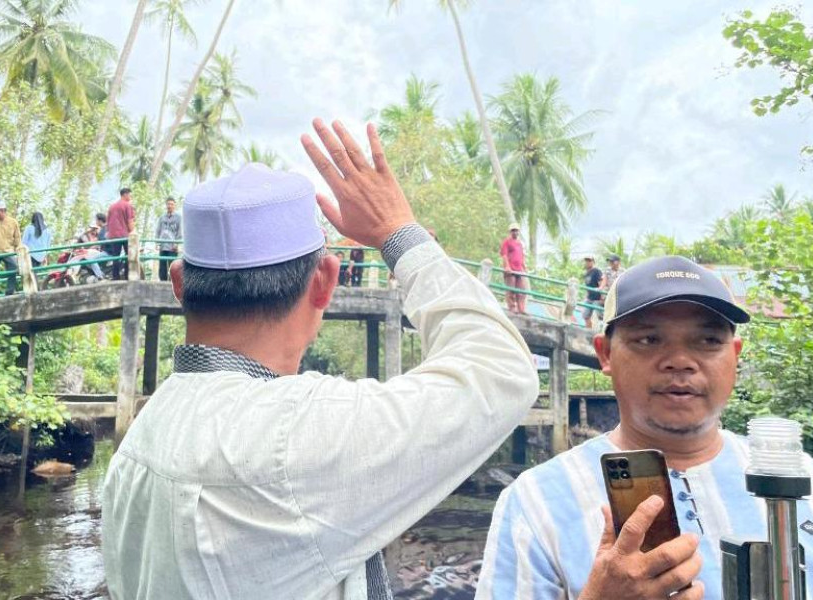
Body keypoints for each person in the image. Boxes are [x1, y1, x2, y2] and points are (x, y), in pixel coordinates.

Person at [102, 120, 539, 600]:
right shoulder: (298, 432)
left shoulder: (137, 445)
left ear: (179, 284)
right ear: (324, 282)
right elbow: (502, 370)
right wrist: (399, 233)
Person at [476, 255, 813, 600]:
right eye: (648, 340)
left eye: (708, 341)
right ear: (605, 353)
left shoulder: (811, 483)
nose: (680, 361)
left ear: (735, 355)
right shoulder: (536, 504)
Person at [105, 187, 135, 280]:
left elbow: (108, 222)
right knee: (128, 256)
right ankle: (127, 276)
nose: (130, 196)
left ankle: (115, 277)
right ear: (125, 194)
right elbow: (130, 221)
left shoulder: (112, 206)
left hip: (114, 236)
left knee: (115, 257)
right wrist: (133, 232)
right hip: (124, 235)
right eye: (130, 194)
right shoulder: (127, 205)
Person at [500, 223, 528, 314]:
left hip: (519, 270)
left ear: (518, 232)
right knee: (511, 289)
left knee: (521, 290)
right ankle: (512, 307)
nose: (515, 232)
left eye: (516, 230)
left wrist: (524, 267)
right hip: (511, 270)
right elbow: (504, 255)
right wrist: (507, 266)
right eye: (513, 231)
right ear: (510, 232)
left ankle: (521, 309)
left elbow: (521, 256)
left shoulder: (519, 244)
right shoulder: (507, 242)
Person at [154, 197, 182, 282]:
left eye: (172, 204)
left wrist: (177, 244)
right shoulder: (162, 217)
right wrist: (157, 243)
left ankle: (173, 283)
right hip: (163, 245)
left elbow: (180, 231)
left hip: (172, 246)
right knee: (162, 266)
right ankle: (163, 282)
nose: (170, 206)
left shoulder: (178, 217)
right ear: (166, 205)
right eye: (168, 204)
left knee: (173, 265)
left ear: (174, 206)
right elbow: (158, 230)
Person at [581, 254, 603, 328]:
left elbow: (601, 283)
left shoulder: (597, 271)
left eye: (589, 261)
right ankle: (588, 331)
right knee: (585, 316)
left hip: (597, 298)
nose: (587, 262)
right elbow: (587, 286)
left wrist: (602, 296)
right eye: (586, 261)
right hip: (589, 297)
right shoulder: (586, 273)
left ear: (593, 262)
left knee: (601, 317)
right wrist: (586, 295)